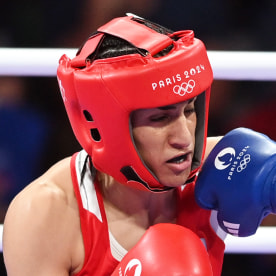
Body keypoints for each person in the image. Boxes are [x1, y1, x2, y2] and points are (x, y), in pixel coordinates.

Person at [2, 14, 239, 276]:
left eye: (189, 110)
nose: (184, 138)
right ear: (107, 127)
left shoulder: (225, 165)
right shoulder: (44, 215)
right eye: (160, 118)